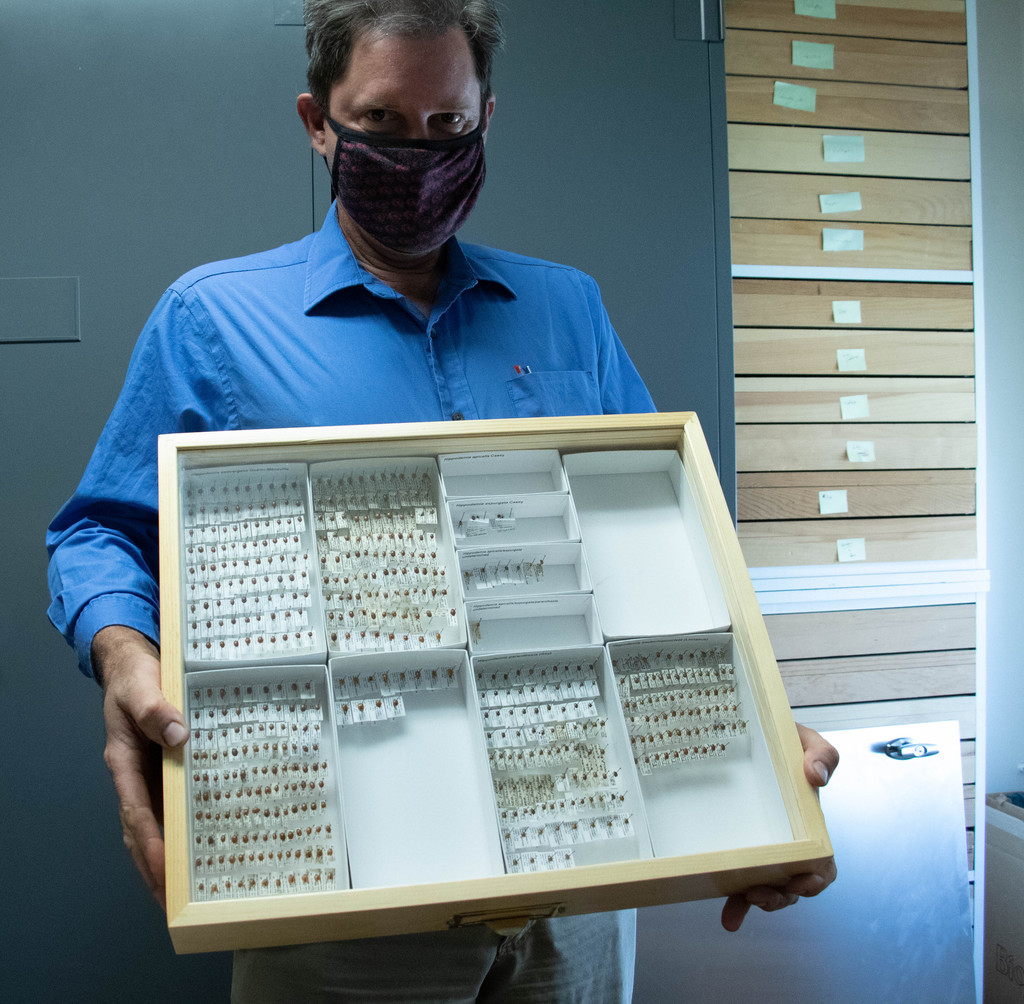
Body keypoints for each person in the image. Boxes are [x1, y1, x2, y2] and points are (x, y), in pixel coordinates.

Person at [46, 1, 838, 1000]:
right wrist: (125, 651)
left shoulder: (567, 308)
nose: (415, 154)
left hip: (576, 873)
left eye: (447, 128)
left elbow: (666, 555)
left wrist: (761, 754)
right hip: (338, 896)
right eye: (379, 123)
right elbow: (97, 532)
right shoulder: (211, 316)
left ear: (485, 119)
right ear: (316, 122)